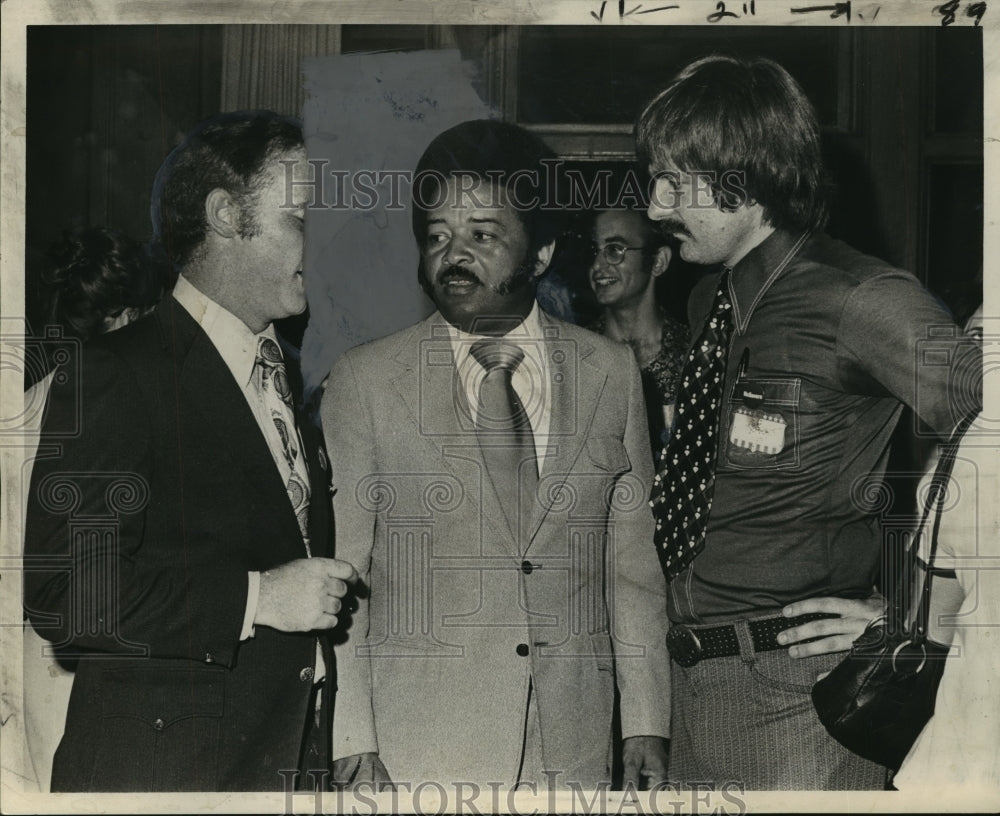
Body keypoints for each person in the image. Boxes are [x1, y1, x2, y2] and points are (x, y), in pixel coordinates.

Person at [635, 55, 982, 789]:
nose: (655, 205)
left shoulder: (864, 298)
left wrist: (912, 615)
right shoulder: (708, 303)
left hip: (797, 699)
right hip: (696, 682)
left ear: (746, 177)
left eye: (675, 181)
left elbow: (989, 442)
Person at [322, 119, 671, 791]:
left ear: (539, 255)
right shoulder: (364, 382)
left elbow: (630, 565)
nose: (453, 256)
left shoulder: (611, 373)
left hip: (572, 748)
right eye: (437, 237)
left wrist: (645, 721)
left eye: (482, 235)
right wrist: (351, 738)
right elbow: (347, 574)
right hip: (417, 749)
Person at [23, 111, 357, 792]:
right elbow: (64, 598)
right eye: (301, 219)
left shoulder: (279, 369)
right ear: (227, 215)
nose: (323, 243)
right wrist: (258, 598)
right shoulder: (119, 373)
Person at [17, 227, 168, 792]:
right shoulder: (116, 413)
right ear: (127, 320)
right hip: (85, 675)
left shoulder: (27, 408)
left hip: (30, 673)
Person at [587, 207, 689, 459]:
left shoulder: (693, 354)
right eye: (594, 251)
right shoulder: (575, 355)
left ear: (658, 262)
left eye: (614, 250)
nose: (598, 265)